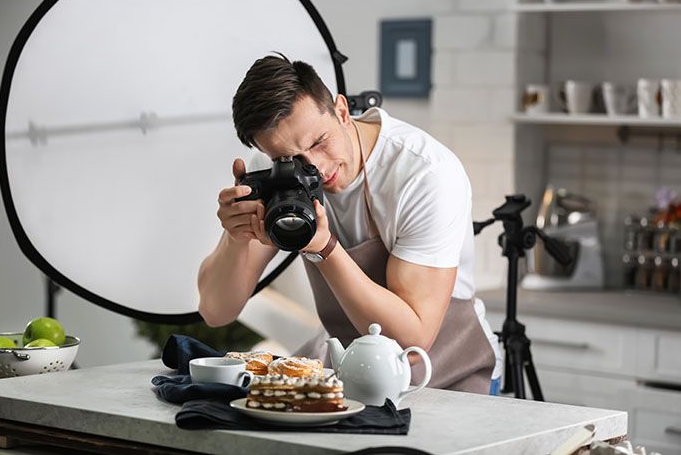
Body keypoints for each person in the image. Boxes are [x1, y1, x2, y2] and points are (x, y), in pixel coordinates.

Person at [198, 53, 501, 394]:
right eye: (290, 159)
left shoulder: (425, 173)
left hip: (446, 373)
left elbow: (410, 344)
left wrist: (326, 249)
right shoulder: (274, 169)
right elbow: (216, 311)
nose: (315, 166)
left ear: (342, 111)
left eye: (319, 142)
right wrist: (236, 237)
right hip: (352, 377)